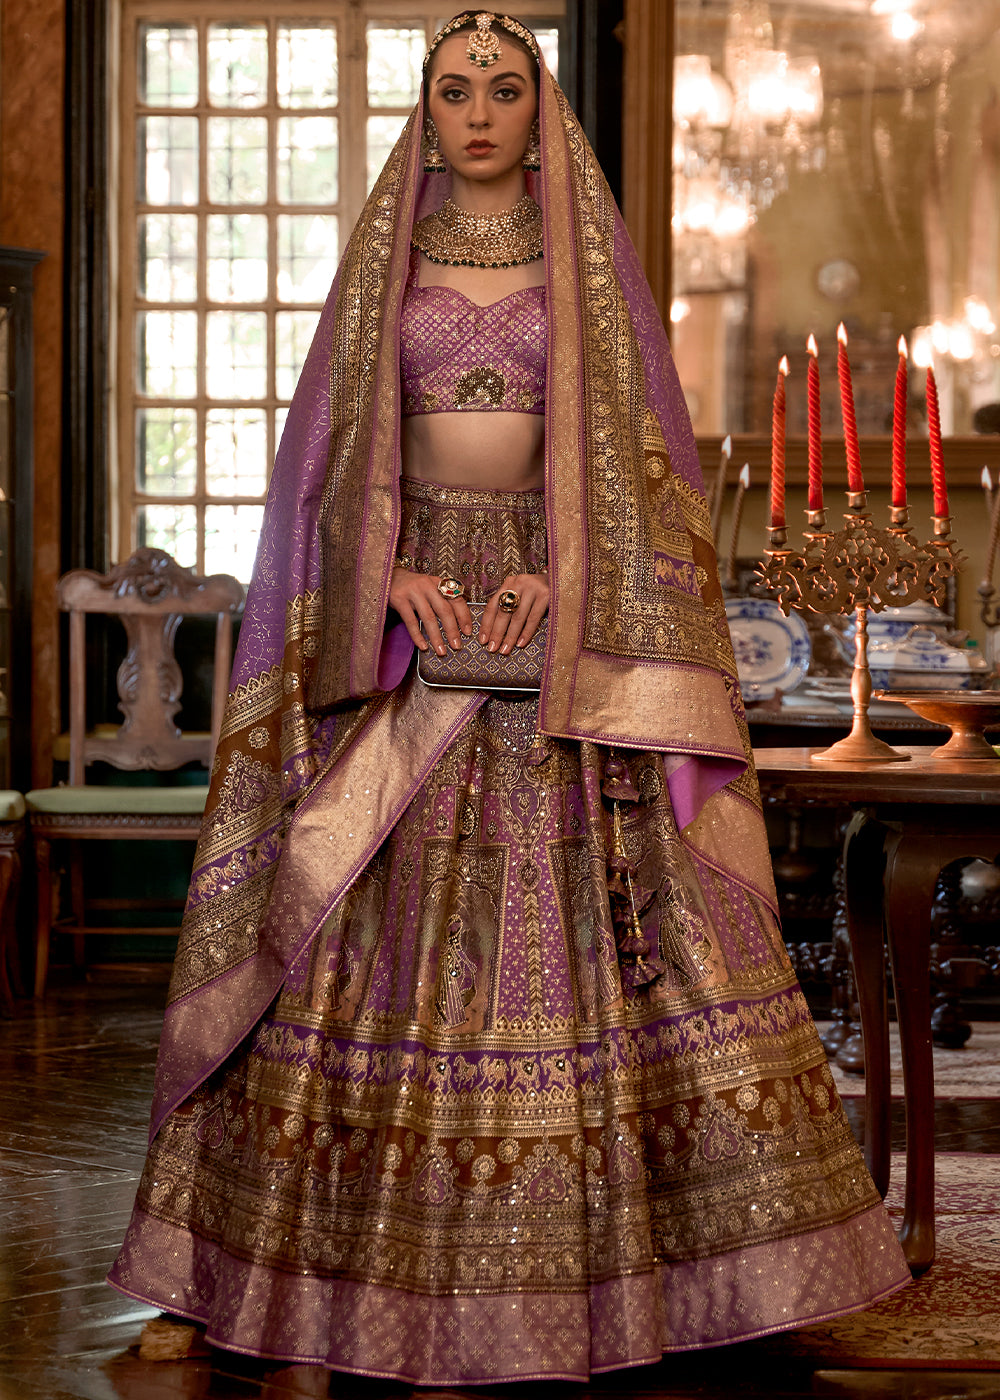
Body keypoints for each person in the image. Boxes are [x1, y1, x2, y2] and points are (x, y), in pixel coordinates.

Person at [109, 12, 910, 1386]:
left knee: (606, 923)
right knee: (355, 919)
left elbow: (641, 459)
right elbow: (324, 468)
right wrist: (388, 574)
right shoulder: (386, 264)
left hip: (556, 626)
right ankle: (282, 1275)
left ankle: (680, 1283)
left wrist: (568, 575)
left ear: (542, 112)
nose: (479, 111)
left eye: (502, 88)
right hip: (409, 621)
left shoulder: (582, 266)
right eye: (454, 89)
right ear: (425, 111)